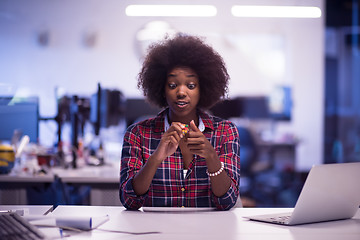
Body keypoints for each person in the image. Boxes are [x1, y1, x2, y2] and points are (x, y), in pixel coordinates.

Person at [119, 34, 241, 210]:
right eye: (172, 85)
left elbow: (227, 201)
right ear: (161, 89)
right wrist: (155, 159)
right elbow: (130, 201)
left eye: (191, 85)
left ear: (203, 89)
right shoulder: (137, 133)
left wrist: (211, 157)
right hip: (154, 233)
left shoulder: (225, 132)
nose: (181, 92)